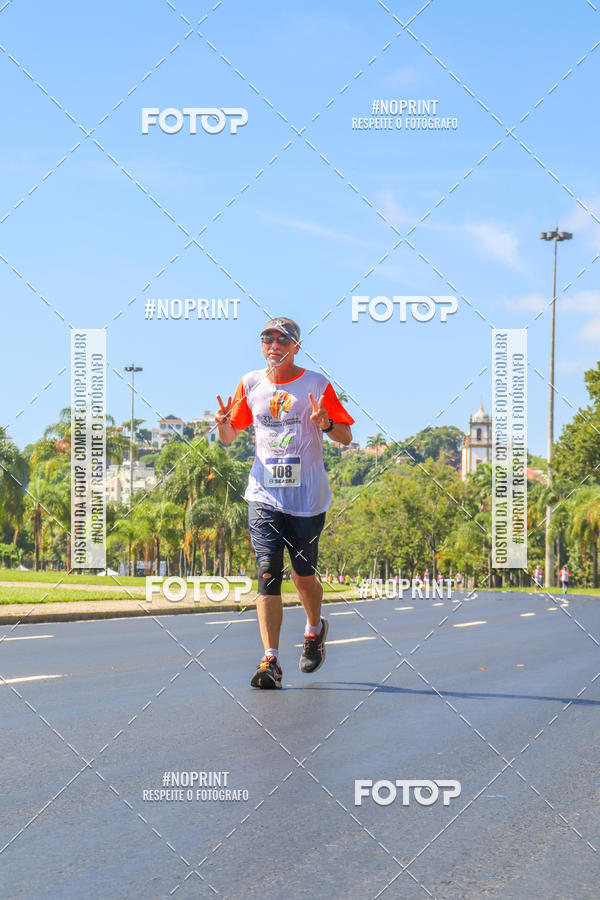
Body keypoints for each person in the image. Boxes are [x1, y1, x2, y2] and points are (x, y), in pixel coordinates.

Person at [215, 317, 354, 689]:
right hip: (264, 493)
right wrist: (222, 424)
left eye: (282, 339)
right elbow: (230, 437)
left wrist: (324, 424)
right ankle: (271, 660)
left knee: (302, 575)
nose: (274, 344)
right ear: (262, 345)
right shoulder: (250, 383)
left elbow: (346, 437)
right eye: (267, 338)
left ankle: (313, 630)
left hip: (307, 497)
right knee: (267, 570)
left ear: (295, 346)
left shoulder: (316, 384)